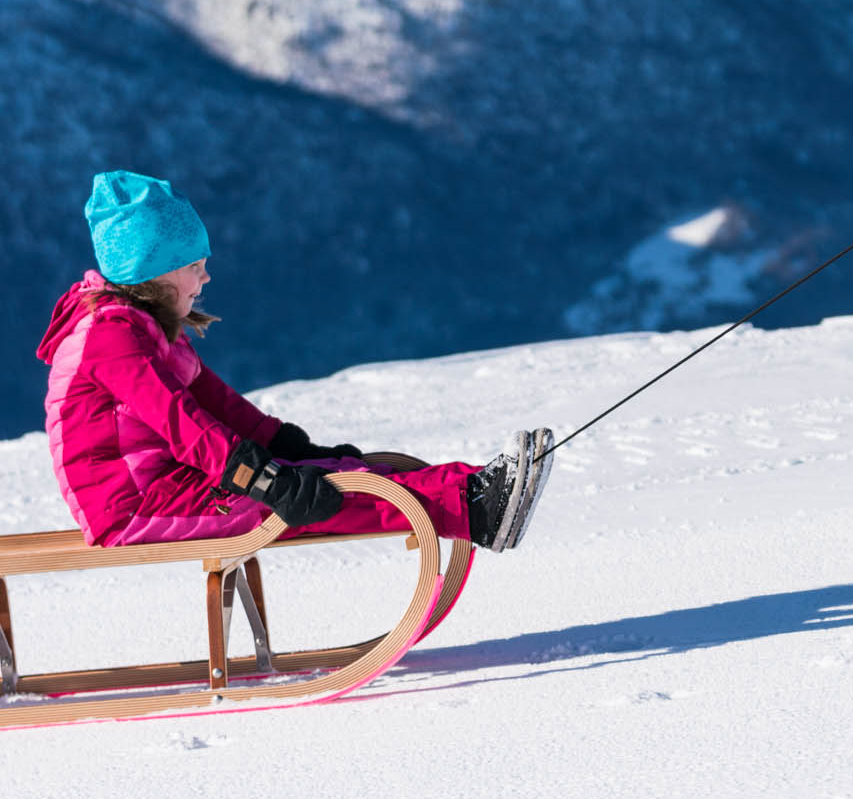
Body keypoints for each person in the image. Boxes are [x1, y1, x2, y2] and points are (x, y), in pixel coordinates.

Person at [38, 170, 552, 553]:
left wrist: (290, 448)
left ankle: (472, 492)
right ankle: (475, 507)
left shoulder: (142, 330)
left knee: (321, 474)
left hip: (165, 487)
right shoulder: (110, 337)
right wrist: (265, 479)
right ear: (158, 274)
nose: (205, 280)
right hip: (133, 508)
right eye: (196, 266)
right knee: (306, 495)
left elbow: (219, 406)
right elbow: (184, 425)